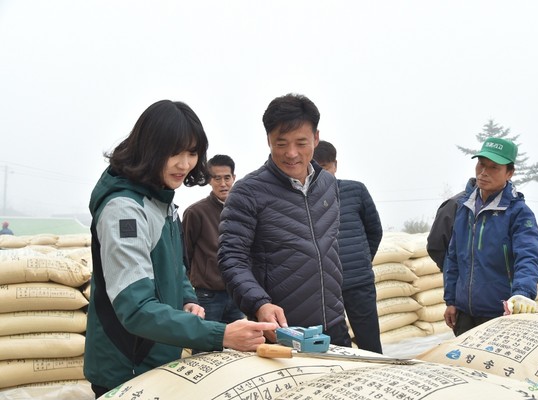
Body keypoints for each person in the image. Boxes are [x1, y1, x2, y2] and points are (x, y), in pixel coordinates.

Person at [84, 100, 275, 398]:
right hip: (128, 365)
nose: (184, 164)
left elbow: (176, 266)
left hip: (158, 357)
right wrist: (220, 334)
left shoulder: (163, 201)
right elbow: (135, 309)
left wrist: (186, 297)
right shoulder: (125, 210)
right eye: (174, 152)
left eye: (192, 152)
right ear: (149, 148)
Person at [218, 93, 351, 347]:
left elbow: (331, 249)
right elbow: (231, 257)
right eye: (281, 144)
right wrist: (259, 303)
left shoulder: (328, 184)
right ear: (268, 140)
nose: (291, 154)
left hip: (333, 325)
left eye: (301, 143)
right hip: (282, 330)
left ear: (316, 138)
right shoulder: (248, 192)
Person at [443, 137, 538, 336]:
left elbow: (528, 257)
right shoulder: (465, 208)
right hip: (464, 315)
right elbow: (454, 257)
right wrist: (451, 301)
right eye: (481, 164)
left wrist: (522, 293)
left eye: (494, 167)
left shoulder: (518, 213)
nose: (483, 172)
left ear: (510, 173)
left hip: (500, 314)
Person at [313, 140, 383, 354]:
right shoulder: (304, 199)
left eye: (326, 167)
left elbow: (374, 231)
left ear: (335, 165)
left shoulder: (356, 190)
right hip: (324, 288)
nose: (322, 173)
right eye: (317, 168)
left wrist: (362, 259)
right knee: (336, 347)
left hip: (358, 282)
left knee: (370, 343)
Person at [182, 154, 244, 324]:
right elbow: (183, 254)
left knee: (238, 348)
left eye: (227, 178)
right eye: (217, 178)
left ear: (234, 178)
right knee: (204, 347)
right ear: (209, 180)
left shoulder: (243, 210)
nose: (223, 184)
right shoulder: (195, 212)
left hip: (237, 293)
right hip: (207, 296)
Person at [426, 177, 476, 271]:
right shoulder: (455, 205)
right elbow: (436, 244)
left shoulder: (510, 208)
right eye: (482, 164)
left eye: (494, 167)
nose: (485, 172)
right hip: (460, 282)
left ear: (508, 174)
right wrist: (454, 271)